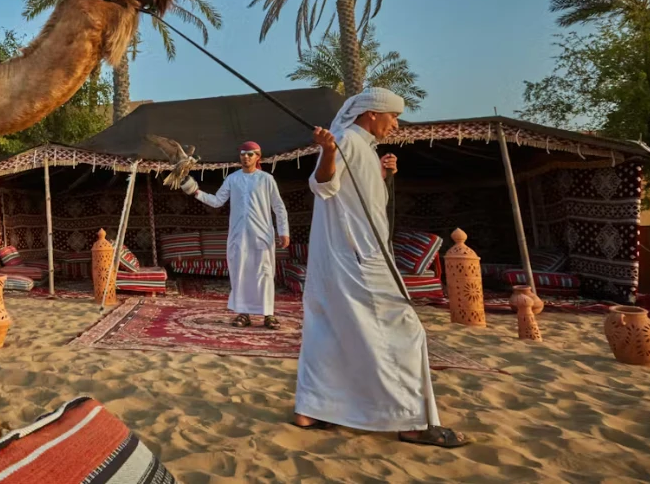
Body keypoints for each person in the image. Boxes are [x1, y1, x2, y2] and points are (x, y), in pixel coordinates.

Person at [293, 87, 469, 448]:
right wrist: (327, 152)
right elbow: (322, 185)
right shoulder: (346, 140)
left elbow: (358, 199)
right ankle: (410, 422)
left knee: (330, 328)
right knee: (404, 332)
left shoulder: (361, 146)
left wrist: (383, 175)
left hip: (343, 257)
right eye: (394, 117)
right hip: (359, 258)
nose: (396, 125)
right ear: (372, 113)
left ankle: (313, 408)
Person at [180, 141, 290, 329]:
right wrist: (195, 191)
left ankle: (269, 315)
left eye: (250, 154)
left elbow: (278, 207)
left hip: (262, 235)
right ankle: (243, 314)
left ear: (258, 157)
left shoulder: (266, 179)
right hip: (239, 236)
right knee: (241, 273)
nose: (245, 157)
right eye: (242, 154)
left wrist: (284, 231)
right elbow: (217, 201)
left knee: (264, 272)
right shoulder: (232, 179)